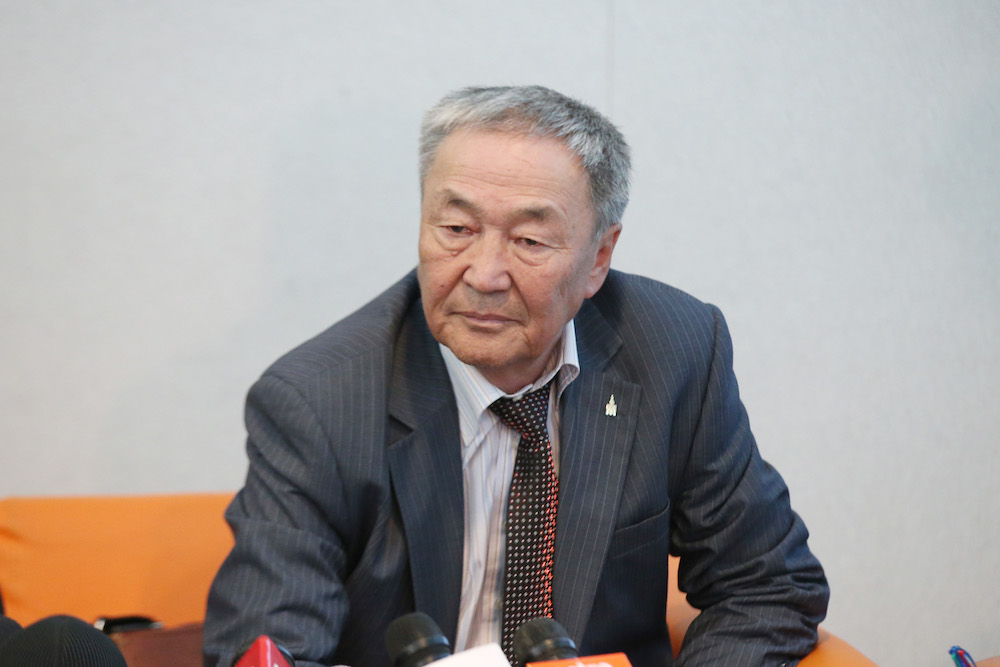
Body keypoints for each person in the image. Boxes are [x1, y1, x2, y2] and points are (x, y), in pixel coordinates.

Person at [203, 85, 829, 667]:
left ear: (598, 259)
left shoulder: (673, 351)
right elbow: (266, 643)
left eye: (529, 240)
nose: (483, 273)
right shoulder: (319, 399)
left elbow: (768, 583)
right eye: (456, 229)